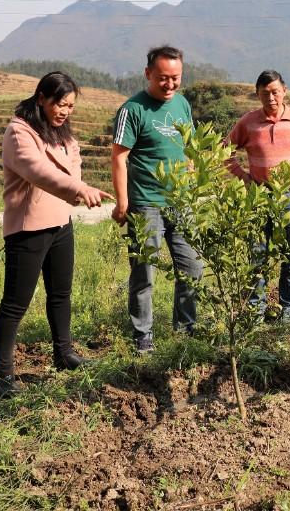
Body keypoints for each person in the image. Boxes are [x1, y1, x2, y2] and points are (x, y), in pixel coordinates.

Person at [0, 72, 113, 397]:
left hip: (60, 223)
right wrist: (79, 188)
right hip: (28, 228)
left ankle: (64, 353)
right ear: (42, 97)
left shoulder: (61, 133)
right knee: (16, 304)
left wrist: (79, 186)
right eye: (60, 104)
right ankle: (3, 376)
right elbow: (38, 172)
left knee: (61, 294)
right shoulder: (19, 132)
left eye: (70, 106)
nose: (65, 111)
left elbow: (75, 160)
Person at [111, 46, 204, 353]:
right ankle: (142, 335)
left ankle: (186, 329)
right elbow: (119, 158)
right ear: (148, 73)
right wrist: (123, 203)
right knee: (144, 272)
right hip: (145, 202)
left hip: (180, 202)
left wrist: (191, 184)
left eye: (175, 78)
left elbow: (190, 147)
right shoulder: (132, 110)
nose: (169, 84)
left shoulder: (182, 105)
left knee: (191, 268)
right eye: (163, 78)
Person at [225, 70, 290, 321]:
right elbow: (224, 151)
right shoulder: (248, 121)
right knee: (257, 253)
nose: (270, 98)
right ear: (257, 95)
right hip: (260, 197)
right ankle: (255, 310)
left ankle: (289, 309)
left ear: (284, 90)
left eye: (274, 92)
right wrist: (243, 177)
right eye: (264, 93)